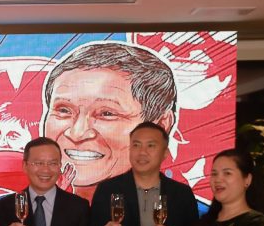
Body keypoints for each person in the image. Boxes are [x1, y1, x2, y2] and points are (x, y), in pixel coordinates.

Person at [41, 42, 178, 201]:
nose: (77, 133)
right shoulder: (25, 206)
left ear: (160, 126)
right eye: (64, 110)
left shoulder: (181, 207)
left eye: (107, 113)